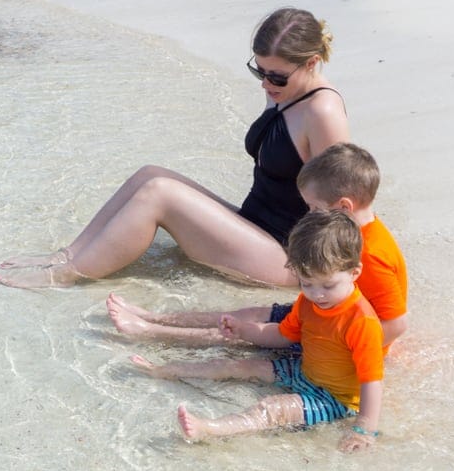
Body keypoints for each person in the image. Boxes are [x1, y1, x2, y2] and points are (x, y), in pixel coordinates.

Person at [0, 8, 347, 289]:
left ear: (312, 63)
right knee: (150, 174)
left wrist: (326, 277)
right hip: (255, 225)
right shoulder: (286, 91)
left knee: (159, 194)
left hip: (287, 256)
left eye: (278, 76)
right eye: (260, 72)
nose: (267, 84)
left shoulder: (322, 111)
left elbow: (340, 204)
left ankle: (69, 275)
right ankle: (67, 254)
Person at [108, 142, 409, 350]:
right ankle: (151, 317)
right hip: (325, 311)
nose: (309, 214)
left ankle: (151, 332)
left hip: (337, 337)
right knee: (246, 314)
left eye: (314, 208)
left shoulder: (370, 252)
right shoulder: (359, 230)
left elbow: (395, 324)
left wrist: (345, 351)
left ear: (344, 206)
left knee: (241, 335)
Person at [132, 210, 384, 451]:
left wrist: (364, 429)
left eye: (328, 285)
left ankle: (208, 429)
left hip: (335, 399)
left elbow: (372, 381)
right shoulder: (308, 302)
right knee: (240, 365)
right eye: (306, 283)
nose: (317, 294)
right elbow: (283, 336)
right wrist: (244, 330)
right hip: (303, 372)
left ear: (354, 273)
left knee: (273, 409)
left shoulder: (361, 322)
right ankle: (164, 370)